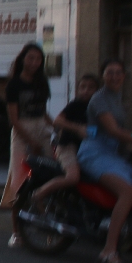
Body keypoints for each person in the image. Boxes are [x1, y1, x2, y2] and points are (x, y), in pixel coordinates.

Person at [77, 58, 132, 263]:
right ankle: (109, 249)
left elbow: (120, 135)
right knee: (128, 193)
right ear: (103, 76)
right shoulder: (99, 99)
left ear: (124, 76)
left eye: (118, 72)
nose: (114, 76)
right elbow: (113, 131)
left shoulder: (118, 98)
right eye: (109, 72)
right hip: (94, 153)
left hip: (113, 155)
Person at [0, 43, 53, 248]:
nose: (34, 62)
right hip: (22, 131)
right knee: (19, 181)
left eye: (38, 59)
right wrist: (31, 142)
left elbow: (43, 112)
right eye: (30, 58)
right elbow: (14, 119)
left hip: (41, 127)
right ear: (22, 59)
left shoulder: (42, 82)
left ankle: (48, 220)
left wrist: (56, 127)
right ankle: (16, 232)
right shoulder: (14, 85)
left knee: (52, 172)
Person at [29, 74, 100, 205]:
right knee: (73, 177)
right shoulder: (75, 105)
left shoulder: (98, 108)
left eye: (91, 88)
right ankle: (39, 194)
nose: (86, 91)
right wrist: (78, 128)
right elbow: (58, 121)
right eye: (83, 87)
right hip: (68, 147)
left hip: (88, 149)